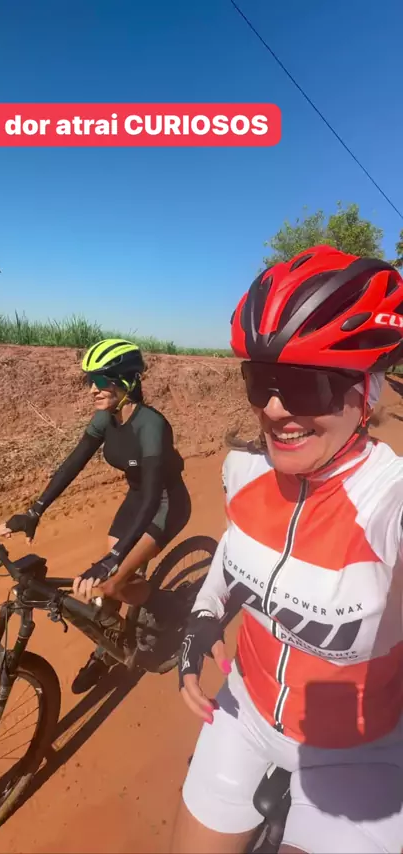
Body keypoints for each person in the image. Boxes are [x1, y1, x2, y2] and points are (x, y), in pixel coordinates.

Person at [171, 246, 403, 854]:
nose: (274, 409)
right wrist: (203, 616)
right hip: (241, 713)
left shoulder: (387, 501)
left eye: (306, 385)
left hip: (359, 754)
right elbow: (233, 554)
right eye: (262, 382)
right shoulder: (244, 469)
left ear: (366, 392)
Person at [0, 338, 191, 693]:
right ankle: (109, 648)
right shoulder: (106, 419)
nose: (92, 389)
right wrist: (35, 511)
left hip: (165, 502)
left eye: (101, 381)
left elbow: (153, 499)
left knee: (112, 582)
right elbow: (73, 462)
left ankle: (170, 606)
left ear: (127, 381)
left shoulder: (151, 425)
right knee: (113, 581)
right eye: (90, 381)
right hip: (138, 498)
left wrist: (113, 558)